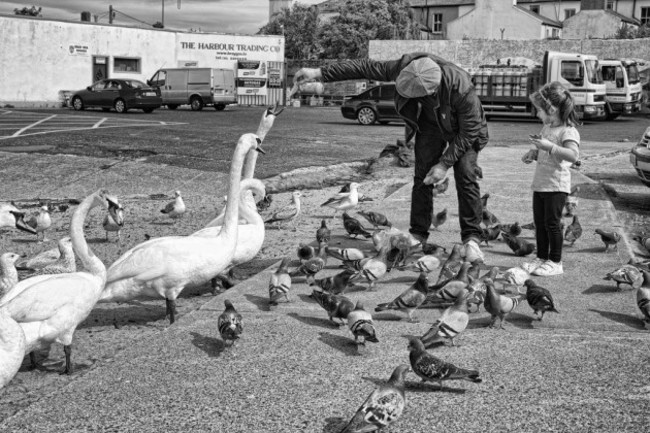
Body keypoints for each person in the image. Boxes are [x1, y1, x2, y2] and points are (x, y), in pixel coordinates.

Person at [294, 53, 489, 263]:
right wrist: (318, 73)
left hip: (463, 129)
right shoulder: (404, 67)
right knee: (422, 176)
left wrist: (443, 164)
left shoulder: (461, 88)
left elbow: (470, 131)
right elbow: (362, 67)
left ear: (432, 90)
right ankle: (418, 235)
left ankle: (472, 238)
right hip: (430, 124)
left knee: (466, 175)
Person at [521, 81, 580, 276]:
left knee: (553, 224)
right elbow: (546, 152)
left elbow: (573, 155)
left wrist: (549, 147)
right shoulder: (547, 128)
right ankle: (541, 258)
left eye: (539, 110)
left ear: (552, 109)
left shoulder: (568, 131)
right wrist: (534, 153)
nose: (537, 114)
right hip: (541, 184)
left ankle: (556, 261)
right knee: (540, 224)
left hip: (556, 185)